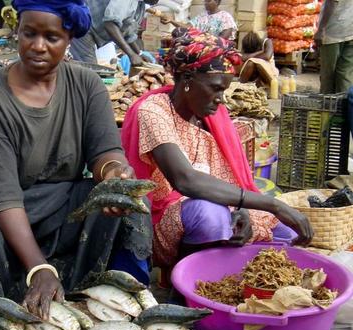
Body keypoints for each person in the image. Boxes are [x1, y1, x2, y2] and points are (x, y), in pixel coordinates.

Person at [0, 0, 152, 320]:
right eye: (28, 33)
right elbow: (2, 196)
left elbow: (105, 151)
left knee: (128, 202)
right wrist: (39, 268)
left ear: (69, 40)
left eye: (51, 38)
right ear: (16, 32)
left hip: (64, 210)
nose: (37, 46)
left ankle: (122, 305)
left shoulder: (87, 85)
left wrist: (114, 172)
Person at [121, 27, 313, 275]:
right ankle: (185, 286)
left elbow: (229, 180)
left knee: (286, 234)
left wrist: (240, 210)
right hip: (163, 219)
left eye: (224, 90)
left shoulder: (212, 116)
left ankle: (229, 281)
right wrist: (274, 205)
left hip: (219, 206)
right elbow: (186, 181)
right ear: (188, 80)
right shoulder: (154, 111)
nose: (221, 99)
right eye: (215, 88)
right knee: (209, 215)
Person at [70, 0, 159, 65]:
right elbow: (110, 24)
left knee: (89, 76)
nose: (157, 1)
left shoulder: (140, 5)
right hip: (82, 26)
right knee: (88, 73)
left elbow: (127, 32)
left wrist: (139, 53)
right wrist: (131, 55)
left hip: (92, 31)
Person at [315, 0, 353, 94]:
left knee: (328, 75)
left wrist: (321, 29)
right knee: (345, 75)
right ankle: (344, 105)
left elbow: (332, 2)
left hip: (333, 32)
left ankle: (327, 105)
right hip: (350, 31)